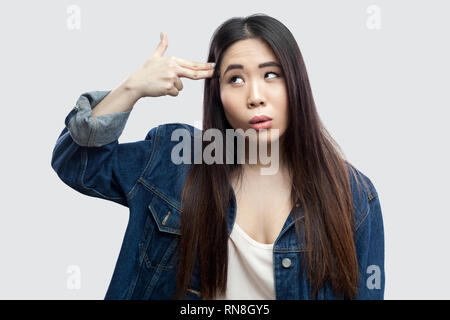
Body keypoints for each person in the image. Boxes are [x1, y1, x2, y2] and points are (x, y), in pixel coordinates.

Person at [51, 14, 385, 300]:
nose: (255, 97)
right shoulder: (175, 159)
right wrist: (131, 89)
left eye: (271, 74)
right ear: (218, 95)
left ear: (296, 83)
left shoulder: (354, 195)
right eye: (235, 79)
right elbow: (76, 164)